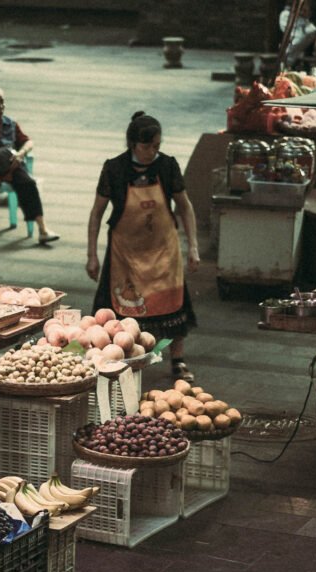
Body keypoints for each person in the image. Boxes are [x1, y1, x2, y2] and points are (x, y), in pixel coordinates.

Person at [86, 112, 200, 382]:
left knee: (173, 307)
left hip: (163, 252)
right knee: (114, 314)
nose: (153, 152)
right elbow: (96, 213)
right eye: (148, 146)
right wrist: (92, 255)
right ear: (133, 144)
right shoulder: (114, 168)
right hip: (125, 254)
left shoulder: (168, 166)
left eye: (157, 146)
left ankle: (178, 361)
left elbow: (185, 207)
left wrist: (193, 247)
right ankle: (110, 359)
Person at [0, 86, 59, 245]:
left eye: (2, 102)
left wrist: (20, 154)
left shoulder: (9, 123)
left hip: (10, 166)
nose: (1, 106)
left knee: (28, 183)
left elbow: (28, 142)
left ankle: (43, 229)